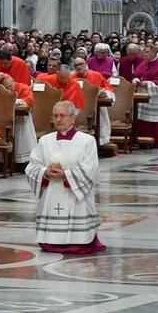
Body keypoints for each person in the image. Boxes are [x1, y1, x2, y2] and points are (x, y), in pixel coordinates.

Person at [25, 101, 104, 255]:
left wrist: (65, 175)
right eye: (55, 116)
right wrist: (45, 172)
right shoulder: (45, 141)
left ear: (73, 118)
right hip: (51, 192)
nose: (59, 119)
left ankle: (78, 240)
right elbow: (31, 167)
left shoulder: (86, 141)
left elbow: (91, 170)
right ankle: (52, 239)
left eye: (63, 116)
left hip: (75, 197)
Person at [133, 45, 158, 143]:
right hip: (143, 95)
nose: (144, 54)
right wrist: (136, 80)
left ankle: (156, 141)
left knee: (155, 121)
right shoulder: (144, 63)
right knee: (142, 120)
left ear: (153, 53)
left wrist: (148, 84)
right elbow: (137, 75)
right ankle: (142, 141)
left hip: (156, 97)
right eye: (144, 52)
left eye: (147, 52)